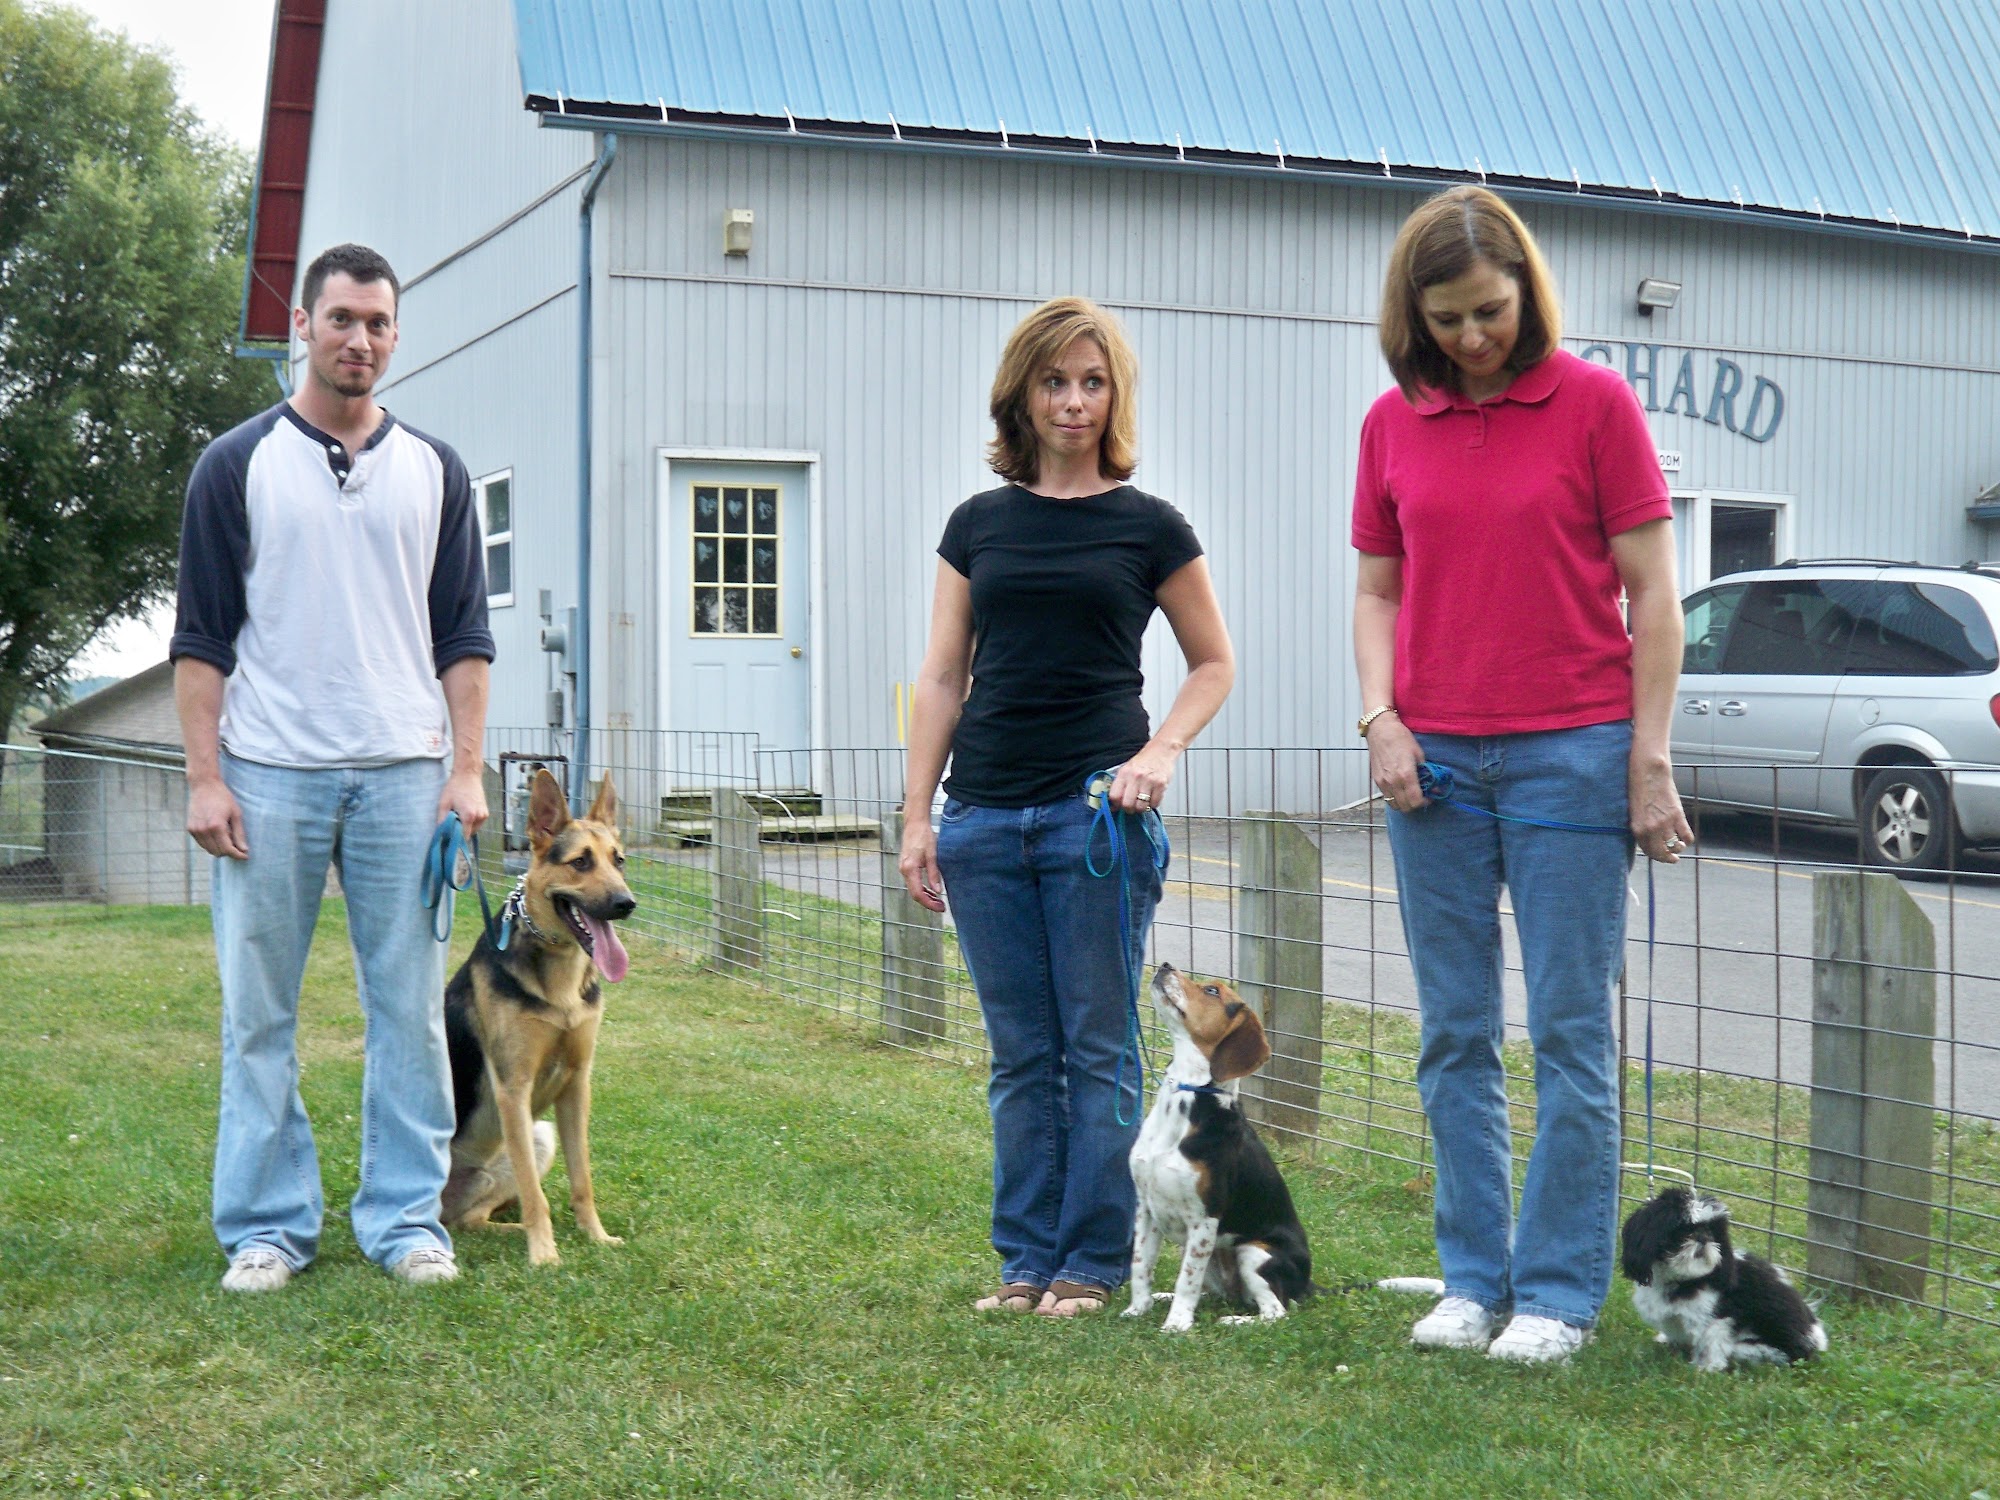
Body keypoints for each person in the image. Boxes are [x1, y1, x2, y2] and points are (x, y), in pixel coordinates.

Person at [1350, 186, 1694, 1363]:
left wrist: (1646, 760)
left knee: (1564, 1038)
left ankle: (1551, 1296)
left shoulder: (1595, 405)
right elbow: (1376, 590)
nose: (1470, 339)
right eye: (1443, 319)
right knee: (1451, 1034)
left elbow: (1654, 597)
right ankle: (1468, 1279)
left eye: (1488, 312)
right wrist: (1380, 718)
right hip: (1430, 765)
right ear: (1413, 315)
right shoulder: (1391, 422)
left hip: (1572, 752)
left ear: (1525, 294)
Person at [899, 297, 1234, 1317]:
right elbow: (943, 677)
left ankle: (1087, 1263)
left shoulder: (1148, 527)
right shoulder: (976, 525)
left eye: (1092, 382)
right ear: (1021, 395)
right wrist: (918, 815)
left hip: (1097, 822)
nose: (1073, 401)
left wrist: (1158, 751)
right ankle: (1021, 1262)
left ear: (1113, 395)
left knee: (1094, 1047)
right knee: (1020, 1053)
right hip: (985, 818)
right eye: (1054, 382)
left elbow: (1213, 663)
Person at [171, 243, 494, 1292]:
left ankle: (407, 1225)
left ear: (396, 337)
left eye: (379, 323)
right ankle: (266, 1227)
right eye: (342, 318)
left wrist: (466, 772)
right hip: (269, 773)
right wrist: (205, 777)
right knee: (257, 1010)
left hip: (406, 774)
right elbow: (202, 639)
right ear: (302, 325)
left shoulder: (437, 472)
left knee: (406, 1006)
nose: (360, 339)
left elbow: (464, 639)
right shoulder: (236, 465)